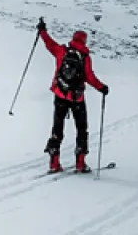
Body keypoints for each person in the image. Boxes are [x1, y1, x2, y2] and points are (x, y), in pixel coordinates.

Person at [37, 18, 109, 173]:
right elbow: (90, 78)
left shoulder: (62, 51)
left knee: (57, 128)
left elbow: (49, 43)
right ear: (84, 41)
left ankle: (54, 163)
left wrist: (42, 31)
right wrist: (102, 88)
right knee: (81, 128)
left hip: (60, 95)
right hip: (77, 98)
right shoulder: (85, 57)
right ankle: (80, 163)